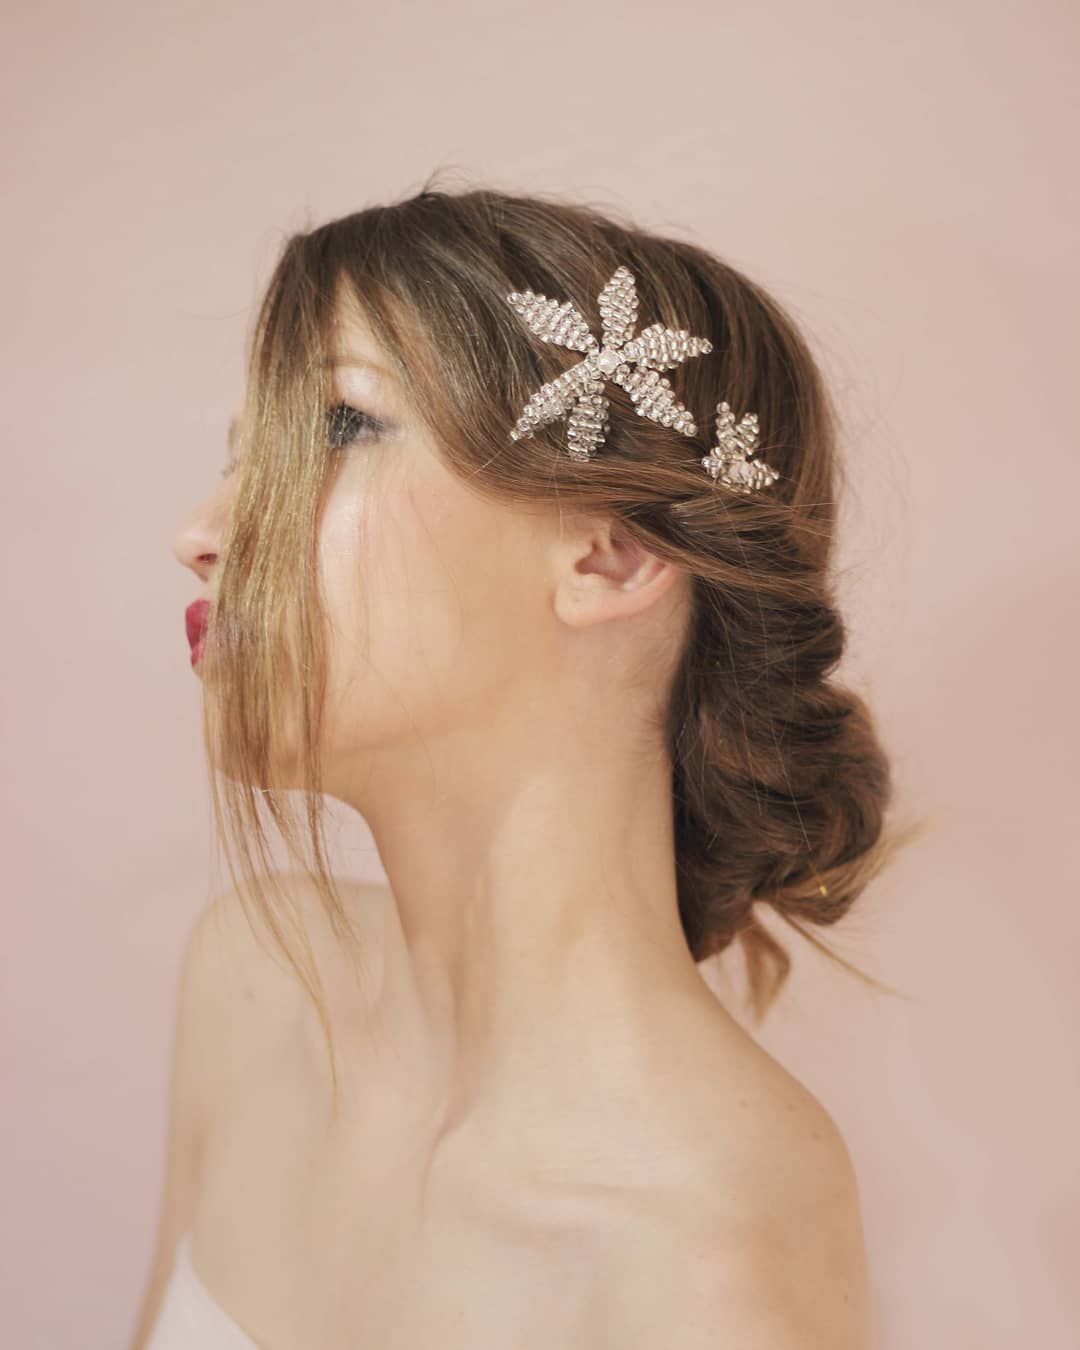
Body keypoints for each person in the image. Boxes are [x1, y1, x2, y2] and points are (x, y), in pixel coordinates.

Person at [130, 182, 913, 1349]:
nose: (201, 531)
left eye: (339, 427)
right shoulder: (256, 986)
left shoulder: (711, 1244)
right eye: (244, 452)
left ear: (610, 552)